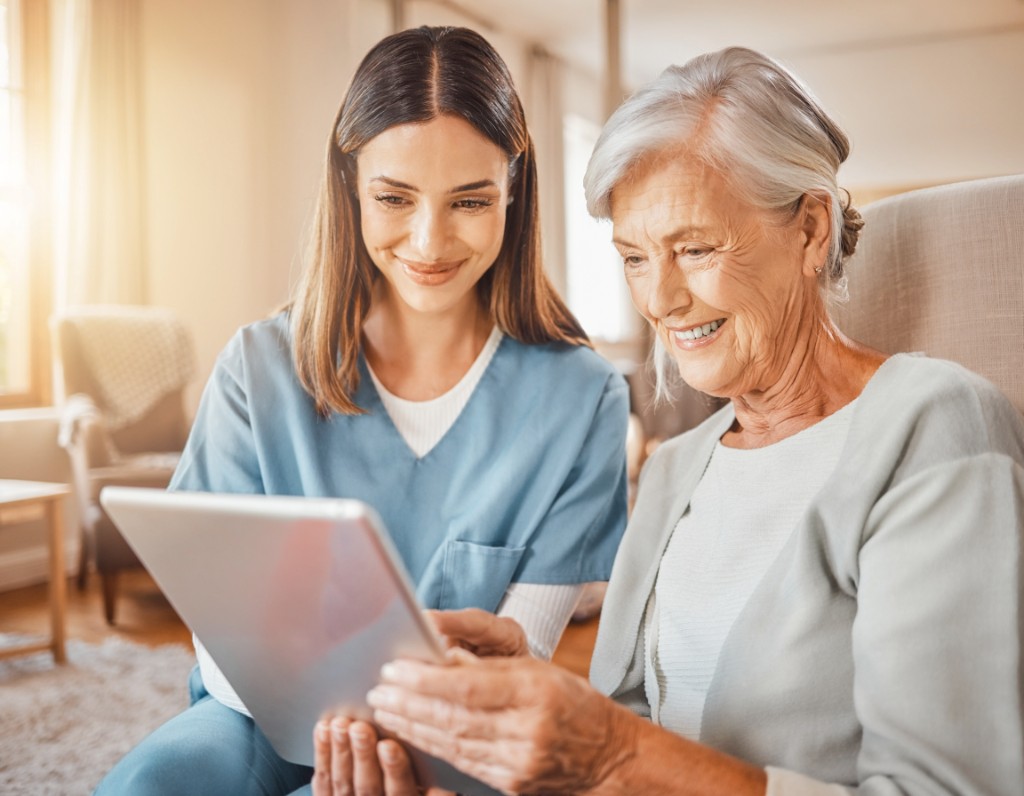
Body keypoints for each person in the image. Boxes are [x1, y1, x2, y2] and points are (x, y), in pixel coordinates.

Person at [313, 46, 1024, 795]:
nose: (660, 299)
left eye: (693, 248)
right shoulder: (676, 468)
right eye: (634, 257)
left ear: (812, 231)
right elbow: (627, 724)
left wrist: (612, 755)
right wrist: (523, 710)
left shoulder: (932, 428)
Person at [94, 25, 630, 796]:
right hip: (257, 719)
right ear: (349, 185)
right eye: (394, 198)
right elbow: (220, 630)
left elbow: (525, 657)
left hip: (457, 740)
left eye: (470, 201)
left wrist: (395, 749)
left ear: (515, 190)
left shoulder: (584, 401)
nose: (429, 240)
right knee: (149, 784)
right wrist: (325, 725)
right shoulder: (258, 369)